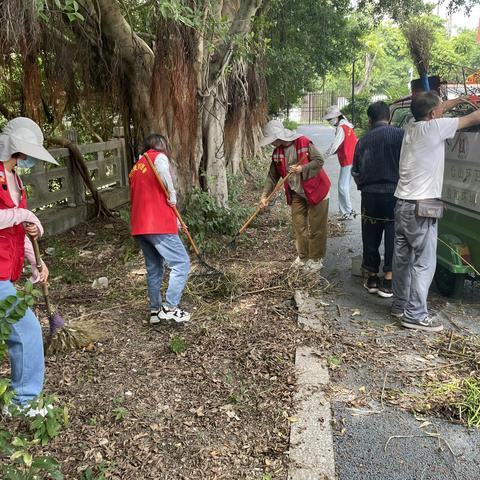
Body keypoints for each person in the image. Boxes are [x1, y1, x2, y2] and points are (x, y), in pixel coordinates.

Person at [392, 92, 480, 332]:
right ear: (433, 115)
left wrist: (459, 100)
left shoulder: (412, 127)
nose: (443, 111)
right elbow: (473, 119)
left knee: (402, 260)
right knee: (424, 262)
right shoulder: (435, 128)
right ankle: (415, 315)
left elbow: (436, 108)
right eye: (440, 109)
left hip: (402, 204)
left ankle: (399, 306)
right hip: (421, 208)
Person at [0, 117, 57, 414]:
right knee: (27, 330)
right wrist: (23, 215)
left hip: (6, 271)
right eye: (28, 153)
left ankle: (17, 398)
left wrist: (37, 262)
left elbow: (18, 229)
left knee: (17, 331)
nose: (30, 159)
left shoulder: (16, 180)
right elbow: (14, 218)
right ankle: (23, 402)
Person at [129, 134, 191, 325]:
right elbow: (164, 174)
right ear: (160, 145)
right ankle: (170, 308)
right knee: (181, 263)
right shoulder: (158, 157)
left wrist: (177, 221)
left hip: (140, 225)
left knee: (154, 268)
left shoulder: (137, 166)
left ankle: (155, 311)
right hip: (157, 224)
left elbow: (149, 194)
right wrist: (172, 194)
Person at [258, 120, 331, 271]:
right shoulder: (277, 153)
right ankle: (303, 256)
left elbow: (319, 160)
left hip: (316, 190)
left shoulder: (303, 142)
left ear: (278, 136)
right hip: (297, 192)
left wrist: (302, 168)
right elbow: (272, 177)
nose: (271, 144)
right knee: (299, 225)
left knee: (316, 227)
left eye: (272, 140)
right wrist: (265, 195)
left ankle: (316, 259)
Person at [352, 101, 404, 298]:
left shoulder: (363, 140)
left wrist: (363, 185)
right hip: (395, 194)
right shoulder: (401, 135)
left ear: (370, 120)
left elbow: (355, 170)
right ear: (389, 117)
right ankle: (389, 280)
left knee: (370, 233)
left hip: (371, 195)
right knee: (393, 234)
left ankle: (372, 277)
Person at [324, 105, 358, 220]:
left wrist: (323, 156)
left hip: (347, 159)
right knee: (345, 186)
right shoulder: (347, 125)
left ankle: (347, 212)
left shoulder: (341, 127)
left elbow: (335, 146)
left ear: (336, 117)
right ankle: (346, 211)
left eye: (330, 119)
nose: (329, 121)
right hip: (352, 158)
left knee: (342, 187)